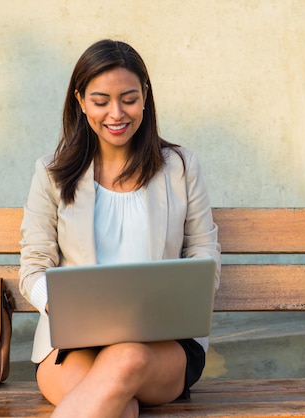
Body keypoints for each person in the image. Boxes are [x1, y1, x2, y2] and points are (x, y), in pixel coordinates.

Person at [19, 39, 221, 418]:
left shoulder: (179, 167)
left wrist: (191, 291)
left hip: (162, 346)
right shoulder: (51, 173)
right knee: (119, 408)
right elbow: (33, 266)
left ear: (145, 95)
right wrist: (64, 307)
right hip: (71, 347)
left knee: (125, 358)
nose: (116, 113)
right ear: (80, 100)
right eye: (100, 101)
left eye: (129, 99)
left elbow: (203, 251)